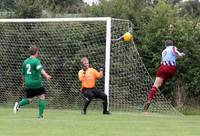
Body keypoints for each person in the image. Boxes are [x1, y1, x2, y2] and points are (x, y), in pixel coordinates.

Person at [144, 40, 185, 112]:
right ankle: (162, 84)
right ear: (172, 44)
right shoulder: (173, 48)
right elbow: (176, 53)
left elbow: (165, 59)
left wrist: (178, 56)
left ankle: (149, 99)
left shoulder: (164, 51)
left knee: (156, 85)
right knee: (165, 79)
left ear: (165, 45)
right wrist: (181, 54)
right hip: (171, 69)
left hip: (163, 67)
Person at [13, 46, 52, 118]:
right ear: (36, 53)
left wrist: (24, 82)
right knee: (42, 97)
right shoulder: (36, 61)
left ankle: (18, 104)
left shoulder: (25, 61)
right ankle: (40, 116)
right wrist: (46, 76)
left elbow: (23, 74)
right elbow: (40, 69)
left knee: (29, 99)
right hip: (36, 82)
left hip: (28, 83)